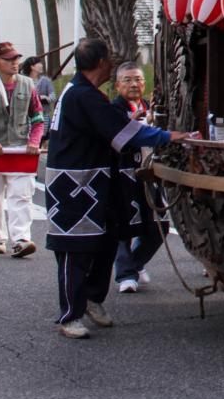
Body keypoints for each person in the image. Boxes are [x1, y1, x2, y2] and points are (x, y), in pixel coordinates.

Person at [47, 38, 187, 338]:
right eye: (109, 61)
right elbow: (122, 130)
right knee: (76, 250)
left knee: (108, 239)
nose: (112, 65)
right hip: (74, 184)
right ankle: (70, 315)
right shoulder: (83, 96)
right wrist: (166, 136)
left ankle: (93, 298)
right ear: (100, 64)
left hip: (95, 182)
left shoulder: (82, 92)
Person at [0, 42, 45, 258]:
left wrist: (35, 140)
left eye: (16, 58)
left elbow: (38, 117)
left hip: (20, 148)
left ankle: (21, 238)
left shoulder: (28, 84)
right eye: (9, 59)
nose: (15, 63)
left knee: (22, 195)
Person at [111, 63, 162, 293]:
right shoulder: (112, 110)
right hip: (123, 174)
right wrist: (132, 121)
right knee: (124, 227)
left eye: (138, 80)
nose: (134, 84)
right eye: (128, 80)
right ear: (117, 85)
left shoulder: (151, 107)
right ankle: (125, 275)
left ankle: (135, 263)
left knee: (159, 225)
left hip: (149, 173)